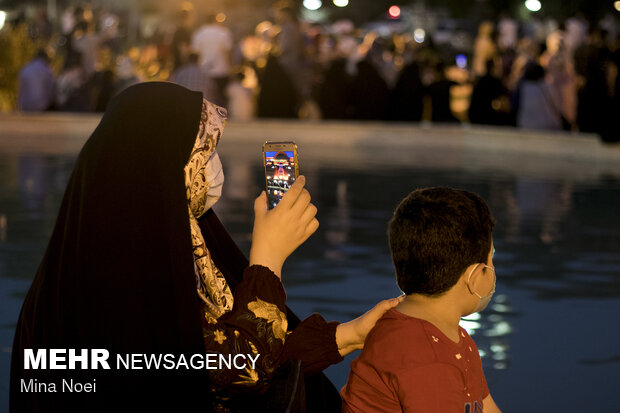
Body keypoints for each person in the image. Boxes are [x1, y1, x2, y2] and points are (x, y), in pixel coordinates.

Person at [10, 82, 398, 412]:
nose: (213, 165)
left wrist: (348, 336)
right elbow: (238, 372)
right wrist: (267, 261)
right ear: (163, 164)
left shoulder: (182, 237)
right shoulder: (114, 276)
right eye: (204, 152)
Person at [341, 187, 502, 412]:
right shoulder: (428, 361)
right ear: (474, 277)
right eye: (491, 260)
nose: (493, 270)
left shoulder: (453, 339)